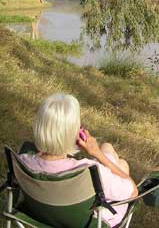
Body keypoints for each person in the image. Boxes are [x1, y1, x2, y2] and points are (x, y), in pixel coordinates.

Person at [19, 93, 138, 227]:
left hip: (40, 214)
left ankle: (110, 154)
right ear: (75, 133)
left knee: (108, 149)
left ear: (39, 127)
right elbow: (133, 192)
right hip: (86, 221)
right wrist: (97, 154)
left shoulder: (22, 162)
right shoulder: (88, 171)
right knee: (121, 164)